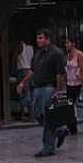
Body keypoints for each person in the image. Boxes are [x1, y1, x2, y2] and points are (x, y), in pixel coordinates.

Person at [18, 29, 68, 158]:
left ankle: (48, 148)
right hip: (37, 88)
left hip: (49, 89)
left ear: (48, 39)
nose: (38, 40)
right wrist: (23, 83)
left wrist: (59, 91)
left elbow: (60, 74)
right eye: (37, 38)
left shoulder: (56, 53)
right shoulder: (38, 53)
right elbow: (32, 71)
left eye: (40, 38)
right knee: (37, 114)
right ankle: (60, 130)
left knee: (48, 118)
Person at [11, 40, 34, 120]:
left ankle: (29, 115)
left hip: (22, 71)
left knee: (22, 92)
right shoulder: (31, 48)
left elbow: (15, 56)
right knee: (28, 92)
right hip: (29, 70)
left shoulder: (20, 45)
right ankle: (26, 114)